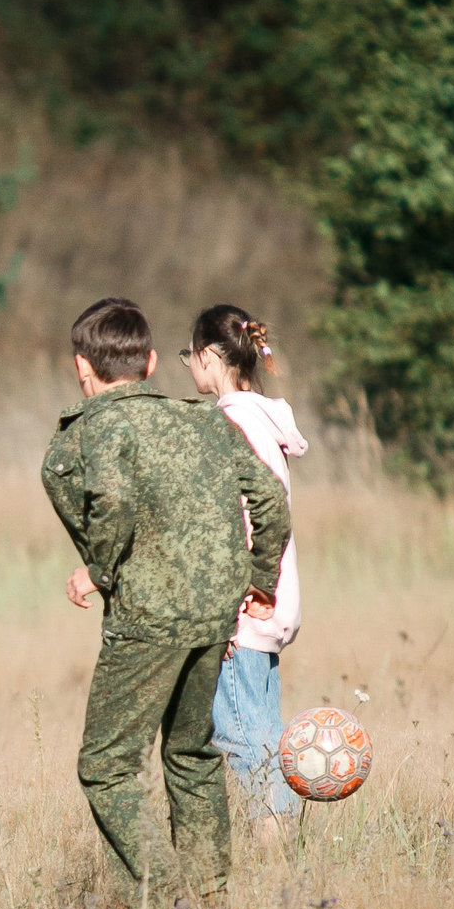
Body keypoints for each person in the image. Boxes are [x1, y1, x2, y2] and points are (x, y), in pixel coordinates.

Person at [43, 297, 290, 909]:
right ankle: (211, 900)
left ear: (81, 368)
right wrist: (258, 581)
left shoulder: (85, 434)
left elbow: (110, 500)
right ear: (152, 362)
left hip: (146, 619)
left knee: (106, 767)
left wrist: (100, 571)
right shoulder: (207, 421)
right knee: (193, 752)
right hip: (216, 613)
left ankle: (169, 905)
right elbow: (271, 502)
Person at [182, 304, 307, 838]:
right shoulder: (263, 416)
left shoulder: (229, 422)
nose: (189, 364)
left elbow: (240, 521)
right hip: (269, 600)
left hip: (243, 608)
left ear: (209, 357)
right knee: (261, 729)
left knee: (244, 736)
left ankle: (274, 856)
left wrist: (228, 605)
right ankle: (277, 847)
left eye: (190, 355)